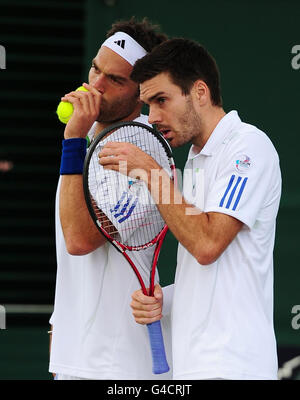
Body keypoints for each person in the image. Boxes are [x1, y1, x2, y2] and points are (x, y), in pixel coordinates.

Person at [99, 38, 282, 380]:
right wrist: (165, 300)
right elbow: (213, 274)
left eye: (161, 100)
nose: (152, 117)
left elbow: (208, 243)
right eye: (147, 104)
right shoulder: (195, 162)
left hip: (234, 369)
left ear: (199, 92)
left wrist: (151, 174)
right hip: (193, 369)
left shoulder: (248, 147)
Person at [49, 18, 172, 380]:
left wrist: (72, 141)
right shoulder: (87, 144)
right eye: (96, 69)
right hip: (75, 361)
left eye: (115, 80)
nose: (96, 85)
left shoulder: (144, 149)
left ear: (142, 92)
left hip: (119, 366)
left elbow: (80, 239)